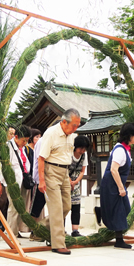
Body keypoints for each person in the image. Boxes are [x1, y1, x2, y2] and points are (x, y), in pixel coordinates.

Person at [38, 108, 81, 255]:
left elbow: (66, 156)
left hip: (64, 172)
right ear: (64, 122)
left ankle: (40, 228)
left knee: (66, 206)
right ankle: (58, 244)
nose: (76, 128)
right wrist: (41, 180)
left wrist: (67, 175)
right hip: (51, 171)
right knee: (56, 208)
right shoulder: (51, 133)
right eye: (74, 125)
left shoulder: (71, 135)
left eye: (78, 125)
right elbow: (41, 158)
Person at [95, 122, 134, 250]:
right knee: (119, 209)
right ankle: (119, 240)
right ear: (129, 135)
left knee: (125, 208)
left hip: (116, 182)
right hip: (111, 183)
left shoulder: (125, 149)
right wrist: (121, 187)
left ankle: (101, 211)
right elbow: (114, 170)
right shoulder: (120, 150)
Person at [0, 124, 31, 237]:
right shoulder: (7, 147)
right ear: (16, 137)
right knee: (13, 208)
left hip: (22, 181)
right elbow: (1, 167)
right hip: (12, 182)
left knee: (20, 208)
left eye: (27, 141)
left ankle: (16, 230)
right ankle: (12, 234)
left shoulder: (22, 148)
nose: (25, 143)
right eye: (23, 140)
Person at [68, 135, 90, 237]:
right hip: (65, 181)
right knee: (63, 207)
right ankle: (61, 229)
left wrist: (75, 181)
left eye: (84, 149)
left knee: (76, 206)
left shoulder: (84, 156)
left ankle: (75, 230)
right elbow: (63, 168)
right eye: (81, 148)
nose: (82, 151)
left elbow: (82, 171)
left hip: (76, 184)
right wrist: (69, 181)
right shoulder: (68, 154)